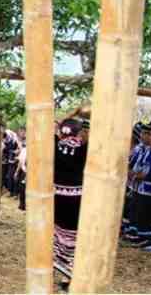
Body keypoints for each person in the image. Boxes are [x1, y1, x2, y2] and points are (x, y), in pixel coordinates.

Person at [53, 119, 88, 290]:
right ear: (79, 132)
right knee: (74, 235)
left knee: (56, 233)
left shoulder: (54, 145)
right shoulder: (85, 148)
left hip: (55, 197)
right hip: (76, 198)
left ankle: (53, 266)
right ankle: (69, 275)